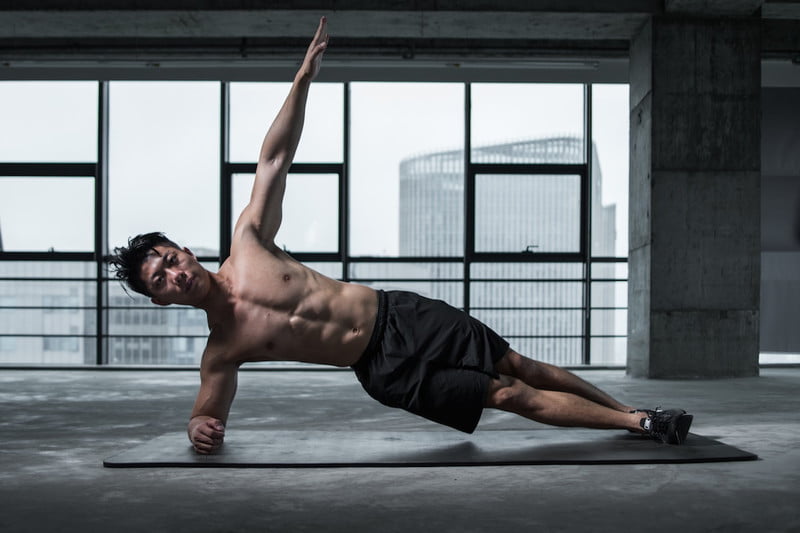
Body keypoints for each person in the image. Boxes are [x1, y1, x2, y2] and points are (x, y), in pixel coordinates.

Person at [109, 17, 693, 454]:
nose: (174, 274)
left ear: (183, 249)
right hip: (384, 369)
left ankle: (637, 416)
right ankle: (639, 422)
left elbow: (274, 158)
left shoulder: (251, 242)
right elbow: (208, 411)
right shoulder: (222, 349)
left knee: (521, 365)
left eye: (168, 259)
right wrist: (195, 427)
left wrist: (304, 78)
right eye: (161, 281)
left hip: (401, 315)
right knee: (505, 394)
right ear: (162, 300)